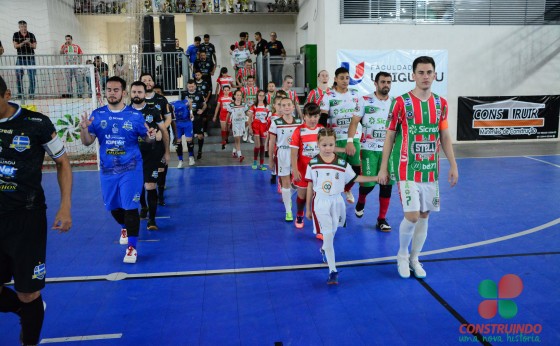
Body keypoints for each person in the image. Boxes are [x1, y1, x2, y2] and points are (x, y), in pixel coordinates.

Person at [0, 75, 72, 346]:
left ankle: (29, 331)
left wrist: (65, 207)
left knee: (27, 293)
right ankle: (24, 311)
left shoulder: (37, 123)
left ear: (7, 95)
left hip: (26, 219)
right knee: (22, 303)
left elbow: (63, 163)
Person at [377, 56, 459, 279]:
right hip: (406, 168)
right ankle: (402, 255)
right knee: (412, 216)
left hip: (430, 169)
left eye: (429, 72)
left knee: (424, 216)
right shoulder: (401, 102)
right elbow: (390, 136)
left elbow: (444, 135)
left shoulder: (441, 103)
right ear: (413, 75)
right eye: (421, 72)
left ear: (434, 75)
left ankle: (415, 257)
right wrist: (383, 168)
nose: (425, 76)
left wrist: (453, 164)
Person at [80, 76, 155, 264]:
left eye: (116, 90)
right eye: (109, 90)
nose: (112, 93)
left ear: (123, 93)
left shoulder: (135, 116)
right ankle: (124, 227)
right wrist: (83, 129)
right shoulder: (96, 115)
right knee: (112, 207)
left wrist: (151, 136)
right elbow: (88, 142)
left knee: (131, 207)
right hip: (107, 169)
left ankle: (132, 248)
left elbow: (148, 139)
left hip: (131, 168)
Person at [305, 128, 378, 285]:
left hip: (337, 202)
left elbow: (355, 178)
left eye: (331, 144)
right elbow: (310, 185)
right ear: (318, 144)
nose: (327, 148)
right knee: (329, 234)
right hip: (320, 202)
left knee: (332, 231)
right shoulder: (313, 163)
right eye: (324, 145)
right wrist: (308, 208)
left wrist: (376, 177)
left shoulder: (341, 163)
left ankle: (325, 249)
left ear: (335, 144)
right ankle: (333, 270)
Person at [347, 71, 394, 231]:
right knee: (368, 185)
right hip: (369, 149)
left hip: (389, 151)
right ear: (376, 83)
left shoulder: (395, 103)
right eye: (383, 82)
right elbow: (354, 122)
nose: (386, 84)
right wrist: (350, 141)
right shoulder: (365, 100)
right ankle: (361, 200)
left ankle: (381, 219)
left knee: (386, 184)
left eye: (388, 82)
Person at [320, 67, 363, 204]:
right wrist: (322, 136)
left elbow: (361, 116)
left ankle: (346, 188)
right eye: (342, 78)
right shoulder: (329, 96)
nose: (345, 81)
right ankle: (333, 197)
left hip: (353, 137)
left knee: (356, 169)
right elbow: (323, 117)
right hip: (336, 139)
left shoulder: (355, 94)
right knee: (336, 170)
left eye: (347, 78)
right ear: (336, 79)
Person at [130, 81, 170, 230]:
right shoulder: (126, 112)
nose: (136, 95)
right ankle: (144, 207)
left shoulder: (153, 111)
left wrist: (166, 152)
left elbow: (164, 132)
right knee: (138, 185)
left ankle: (152, 220)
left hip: (151, 155)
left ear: (144, 94)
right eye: (134, 92)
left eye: (139, 92)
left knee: (150, 185)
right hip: (132, 157)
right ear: (130, 93)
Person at [140, 73, 172, 206]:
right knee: (143, 171)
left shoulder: (161, 99)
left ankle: (161, 194)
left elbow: (168, 118)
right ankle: (144, 204)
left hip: (160, 139)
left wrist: (160, 130)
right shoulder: (137, 100)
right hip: (143, 142)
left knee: (161, 168)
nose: (147, 82)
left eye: (149, 80)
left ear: (153, 82)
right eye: (144, 80)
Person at [269, 97, 303, 221]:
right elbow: (272, 141)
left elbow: (303, 140)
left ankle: (288, 196)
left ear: (293, 106)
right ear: (280, 108)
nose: (287, 107)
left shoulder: (299, 122)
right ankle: (288, 211)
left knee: (298, 181)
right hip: (282, 153)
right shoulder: (276, 123)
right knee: (286, 182)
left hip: (296, 153)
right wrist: (271, 159)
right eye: (284, 105)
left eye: (289, 104)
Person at [290, 103, 323, 232]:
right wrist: (295, 169)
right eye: (310, 116)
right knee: (302, 195)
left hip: (319, 171)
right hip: (303, 169)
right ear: (304, 116)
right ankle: (299, 214)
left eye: (315, 116)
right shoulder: (299, 131)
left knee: (318, 196)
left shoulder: (322, 130)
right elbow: (293, 153)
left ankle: (318, 221)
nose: (313, 119)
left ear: (319, 116)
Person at [182, 79, 207, 161]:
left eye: (192, 86)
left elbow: (204, 105)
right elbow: (181, 106)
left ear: (195, 86)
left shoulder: (199, 94)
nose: (191, 88)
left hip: (198, 118)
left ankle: (200, 151)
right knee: (190, 137)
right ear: (187, 86)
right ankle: (191, 154)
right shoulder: (184, 94)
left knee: (200, 136)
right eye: (189, 86)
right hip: (188, 118)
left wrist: (202, 110)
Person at [13, 20, 37, 98]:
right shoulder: (16, 34)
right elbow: (15, 46)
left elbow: (34, 46)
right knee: (18, 77)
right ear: (19, 27)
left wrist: (28, 43)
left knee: (32, 77)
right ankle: (20, 94)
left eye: (25, 26)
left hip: (31, 58)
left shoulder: (31, 35)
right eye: (22, 27)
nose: (24, 28)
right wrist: (24, 42)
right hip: (20, 58)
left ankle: (31, 95)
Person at [248, 89, 270, 170]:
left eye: (263, 95)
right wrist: (250, 128)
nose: (261, 97)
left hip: (264, 127)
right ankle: (254, 161)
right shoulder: (254, 106)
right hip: (256, 126)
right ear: (257, 96)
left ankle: (262, 164)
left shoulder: (267, 106)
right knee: (257, 145)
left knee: (262, 146)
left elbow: (269, 118)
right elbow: (249, 118)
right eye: (260, 95)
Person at [171, 97, 195, 167]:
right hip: (177, 124)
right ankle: (180, 160)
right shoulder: (170, 104)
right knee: (178, 142)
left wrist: (191, 113)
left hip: (187, 122)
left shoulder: (186, 101)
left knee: (189, 140)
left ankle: (191, 157)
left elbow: (190, 102)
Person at [227, 89, 249, 162]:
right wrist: (228, 123)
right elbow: (228, 115)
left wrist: (249, 120)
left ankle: (234, 151)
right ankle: (240, 155)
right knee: (237, 139)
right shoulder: (231, 105)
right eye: (237, 95)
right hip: (235, 124)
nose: (239, 96)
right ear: (234, 96)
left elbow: (247, 113)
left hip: (242, 124)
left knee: (238, 139)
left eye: (240, 95)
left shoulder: (244, 105)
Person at [194, 70, 212, 145]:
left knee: (204, 118)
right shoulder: (193, 83)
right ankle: (196, 132)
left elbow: (209, 91)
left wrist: (207, 98)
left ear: (201, 75)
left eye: (198, 75)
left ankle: (204, 131)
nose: (197, 76)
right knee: (196, 118)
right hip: (196, 103)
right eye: (196, 75)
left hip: (204, 102)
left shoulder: (205, 83)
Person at [213, 84, 232, 149]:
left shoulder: (231, 99)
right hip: (222, 115)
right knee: (223, 128)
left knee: (228, 129)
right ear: (223, 91)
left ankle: (226, 138)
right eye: (225, 90)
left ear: (229, 91)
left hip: (229, 115)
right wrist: (215, 116)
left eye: (227, 90)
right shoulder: (220, 98)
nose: (226, 91)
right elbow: (217, 107)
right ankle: (223, 140)